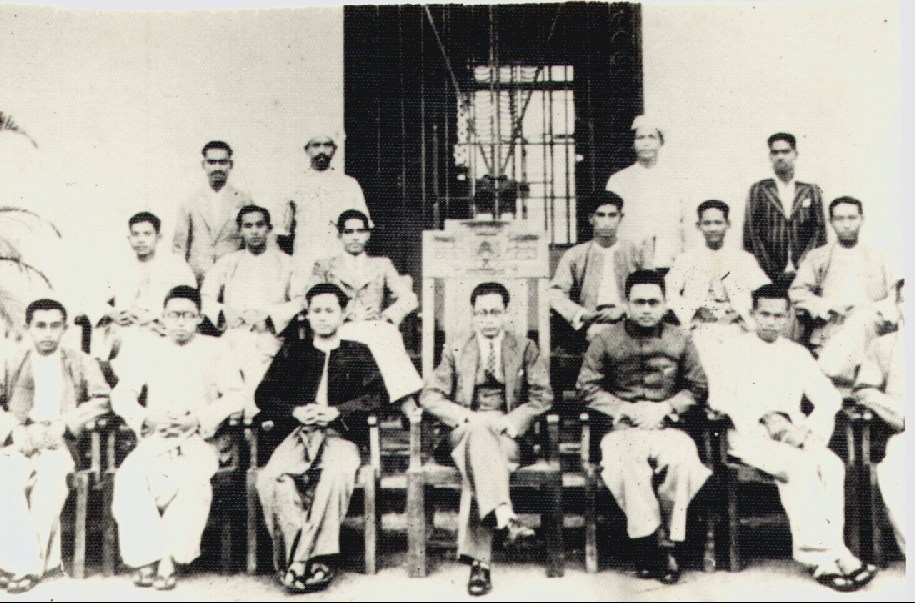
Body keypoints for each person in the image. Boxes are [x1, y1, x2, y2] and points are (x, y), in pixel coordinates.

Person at [713, 284, 877, 592]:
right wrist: (764, 416)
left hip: (793, 433)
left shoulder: (796, 353)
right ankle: (825, 559)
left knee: (831, 466)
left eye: (778, 316)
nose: (771, 322)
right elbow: (719, 398)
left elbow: (829, 398)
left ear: (788, 317)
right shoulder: (731, 350)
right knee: (799, 468)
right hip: (750, 434)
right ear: (752, 314)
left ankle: (833, 551)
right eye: (764, 314)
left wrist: (807, 428)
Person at [576, 270, 709, 584]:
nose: (646, 309)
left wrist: (666, 408)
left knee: (681, 460)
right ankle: (650, 544)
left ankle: (669, 541)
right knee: (628, 462)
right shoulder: (604, 339)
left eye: (653, 302)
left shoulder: (682, 338)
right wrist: (625, 410)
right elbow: (587, 387)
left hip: (667, 425)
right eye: (639, 302)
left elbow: (697, 387)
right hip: (622, 427)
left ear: (664, 304)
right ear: (626, 304)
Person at [420, 282, 552, 596]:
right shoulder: (456, 347)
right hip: (463, 429)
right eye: (482, 313)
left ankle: (481, 563)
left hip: (507, 434)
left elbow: (542, 397)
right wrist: (467, 417)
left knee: (481, 457)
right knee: (479, 436)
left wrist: (510, 420)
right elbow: (431, 396)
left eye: (495, 312)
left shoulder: (525, 348)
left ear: (507, 314)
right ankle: (505, 517)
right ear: (473, 316)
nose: (489, 319)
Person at [254, 283, 386, 593]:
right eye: (316, 311)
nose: (323, 317)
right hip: (298, 435)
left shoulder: (358, 352)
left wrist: (337, 411)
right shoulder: (293, 351)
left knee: (336, 477)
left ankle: (298, 563)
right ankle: (313, 558)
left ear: (343, 314)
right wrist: (296, 411)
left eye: (330, 311)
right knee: (272, 479)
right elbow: (264, 395)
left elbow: (378, 396)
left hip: (340, 435)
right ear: (307, 315)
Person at [111, 285, 244, 591]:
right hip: (157, 437)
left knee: (190, 481)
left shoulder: (216, 348)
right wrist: (147, 418)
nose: (180, 322)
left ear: (199, 318)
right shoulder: (148, 348)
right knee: (130, 476)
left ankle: (168, 558)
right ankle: (146, 556)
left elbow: (236, 395)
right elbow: (123, 394)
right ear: (163, 317)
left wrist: (198, 419)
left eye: (188, 316)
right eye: (174, 315)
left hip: (199, 438)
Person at [0, 299, 109, 594]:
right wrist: (14, 430)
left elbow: (103, 400)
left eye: (54, 326)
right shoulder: (11, 361)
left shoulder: (80, 361)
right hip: (21, 440)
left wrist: (66, 423)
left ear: (64, 328)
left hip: (60, 442)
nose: (47, 333)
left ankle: (21, 567)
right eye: (40, 326)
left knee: (50, 483)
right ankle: (29, 564)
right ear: (28, 328)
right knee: (5, 481)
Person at [309, 209, 422, 403]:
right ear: (339, 235)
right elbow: (312, 297)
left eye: (360, 232)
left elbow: (409, 298)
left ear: (368, 234)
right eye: (349, 232)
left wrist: (387, 315)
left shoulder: (381, 264)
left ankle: (405, 400)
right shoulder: (325, 266)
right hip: (339, 328)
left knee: (387, 333)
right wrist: (344, 313)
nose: (355, 237)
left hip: (374, 325)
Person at [789, 196, 901, 384]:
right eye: (840, 219)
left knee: (862, 320)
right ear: (831, 222)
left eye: (852, 218)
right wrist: (826, 306)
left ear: (861, 220)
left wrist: (875, 309)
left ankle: (826, 372)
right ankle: (829, 375)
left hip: (870, 324)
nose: (846, 225)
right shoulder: (819, 256)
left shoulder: (880, 256)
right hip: (831, 324)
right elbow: (798, 292)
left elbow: (897, 294)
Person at [201, 205, 301, 413]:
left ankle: (252, 424)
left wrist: (270, 317)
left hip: (268, 336)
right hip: (233, 335)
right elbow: (205, 296)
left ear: (269, 229)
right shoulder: (228, 262)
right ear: (240, 230)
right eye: (248, 226)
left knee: (256, 370)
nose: (254, 231)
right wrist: (223, 311)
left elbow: (300, 299)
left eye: (259, 225)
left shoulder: (287, 262)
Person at [91, 212, 195, 372]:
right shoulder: (118, 266)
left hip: (162, 328)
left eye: (147, 234)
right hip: (125, 329)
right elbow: (93, 298)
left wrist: (156, 316)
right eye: (135, 234)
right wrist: (113, 313)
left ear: (158, 237)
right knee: (126, 347)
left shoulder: (175, 265)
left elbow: (189, 301)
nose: (140, 239)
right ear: (129, 238)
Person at [550, 191, 653, 341]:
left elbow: (651, 289)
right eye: (601, 215)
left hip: (632, 323)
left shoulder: (636, 252)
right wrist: (581, 313)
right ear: (591, 218)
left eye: (612, 215)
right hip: (591, 326)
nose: (606, 222)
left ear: (620, 218)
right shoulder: (575, 255)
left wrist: (624, 309)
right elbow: (555, 293)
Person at [853, 281, 904, 554]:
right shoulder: (885, 346)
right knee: (896, 471)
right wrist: (900, 413)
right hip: (906, 432)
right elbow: (864, 391)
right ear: (898, 307)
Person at [666, 200, 769, 330]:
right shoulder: (686, 259)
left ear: (728, 224)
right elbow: (668, 290)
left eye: (718, 223)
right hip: (698, 324)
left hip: (737, 325)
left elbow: (764, 291)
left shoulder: (744, 259)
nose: (713, 228)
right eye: (707, 223)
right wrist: (691, 311)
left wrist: (740, 312)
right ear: (698, 226)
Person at [743, 132, 827, 287]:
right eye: (775, 152)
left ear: (795, 154)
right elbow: (751, 234)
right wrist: (769, 270)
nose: (780, 157)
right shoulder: (759, 190)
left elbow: (819, 232)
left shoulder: (810, 190)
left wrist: (804, 265)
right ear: (770, 156)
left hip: (804, 272)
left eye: (785, 152)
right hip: (768, 273)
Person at [604, 115, 686, 270]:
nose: (646, 143)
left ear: (660, 142)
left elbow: (685, 223)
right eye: (640, 138)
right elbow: (610, 223)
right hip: (630, 262)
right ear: (633, 143)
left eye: (651, 137)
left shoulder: (676, 180)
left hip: (668, 261)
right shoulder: (618, 181)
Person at [282, 131, 371, 269]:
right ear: (307, 150)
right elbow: (284, 231)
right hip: (305, 256)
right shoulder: (294, 184)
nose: (322, 151)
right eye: (316, 145)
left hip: (339, 255)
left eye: (327, 145)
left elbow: (363, 227)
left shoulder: (348, 184)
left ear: (334, 150)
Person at [174, 140, 254, 283]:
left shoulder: (244, 200)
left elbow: (251, 240)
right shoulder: (191, 202)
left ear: (231, 165)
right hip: (198, 278)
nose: (217, 167)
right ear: (203, 165)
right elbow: (180, 246)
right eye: (212, 162)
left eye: (222, 162)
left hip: (233, 276)